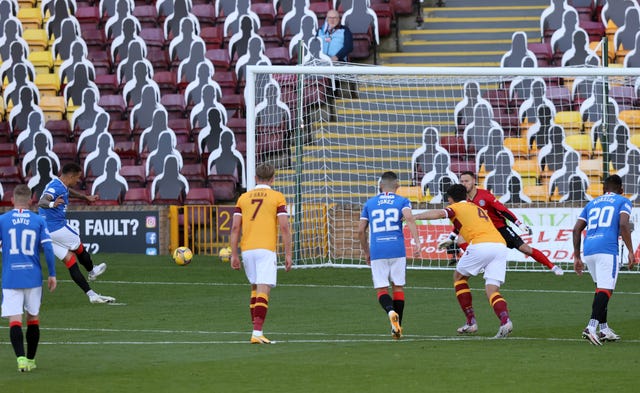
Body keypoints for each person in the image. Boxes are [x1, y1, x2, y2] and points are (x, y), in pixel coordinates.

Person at [414, 184, 513, 338]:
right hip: (500, 245)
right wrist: (452, 239)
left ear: (450, 199)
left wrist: (414, 217)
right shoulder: (475, 207)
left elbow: (439, 214)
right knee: (492, 290)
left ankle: (471, 322)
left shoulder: (455, 208)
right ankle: (505, 321)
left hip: (481, 245)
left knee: (459, 277)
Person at [440, 171, 564, 275]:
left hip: (499, 228)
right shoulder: (463, 202)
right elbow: (462, 222)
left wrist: (519, 224)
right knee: (461, 240)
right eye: (461, 181)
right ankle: (481, 264)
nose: (464, 184)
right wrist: (451, 238)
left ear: (474, 181)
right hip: (483, 233)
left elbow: (502, 210)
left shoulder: (485, 195)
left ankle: (552, 266)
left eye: (466, 181)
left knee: (526, 249)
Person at [229, 163, 292, 344]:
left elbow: (234, 228)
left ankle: (255, 329)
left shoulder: (243, 198)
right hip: (266, 248)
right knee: (264, 289)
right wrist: (288, 254)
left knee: (255, 288)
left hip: (247, 249)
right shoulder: (277, 197)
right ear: (273, 179)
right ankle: (257, 333)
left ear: (255, 178)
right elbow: (284, 227)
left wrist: (234, 254)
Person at [37, 163, 115, 304]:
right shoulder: (56, 187)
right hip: (56, 227)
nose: (78, 181)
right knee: (79, 247)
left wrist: (86, 198)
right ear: (71, 176)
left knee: (70, 261)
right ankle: (92, 271)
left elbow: (68, 191)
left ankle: (91, 295)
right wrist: (51, 204)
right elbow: (42, 201)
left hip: (45, 233)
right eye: (77, 178)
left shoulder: (57, 183)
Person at [572, 175, 636, 345]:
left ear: (603, 189)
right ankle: (591, 327)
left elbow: (576, 229)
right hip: (607, 249)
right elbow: (623, 224)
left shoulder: (592, 203)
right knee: (606, 289)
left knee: (602, 289)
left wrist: (577, 256)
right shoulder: (623, 201)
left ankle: (604, 329)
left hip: (589, 249)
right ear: (621, 189)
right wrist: (630, 251)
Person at [357, 171, 421, 340]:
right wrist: (417, 242)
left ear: (380, 186)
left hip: (378, 249)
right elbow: (409, 218)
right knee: (398, 287)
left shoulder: (370, 203)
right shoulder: (402, 201)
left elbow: (360, 231)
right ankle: (397, 327)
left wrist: (366, 251)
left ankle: (390, 311)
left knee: (381, 289)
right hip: (397, 248)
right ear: (397, 186)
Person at [0, 185, 57, 372]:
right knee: (33, 317)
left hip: (11, 276)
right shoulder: (39, 220)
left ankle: (21, 360)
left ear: (11, 201)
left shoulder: (2, 220)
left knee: (14, 319)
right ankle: (31, 360)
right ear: (31, 201)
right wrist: (52, 274)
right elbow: (48, 248)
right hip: (33, 276)